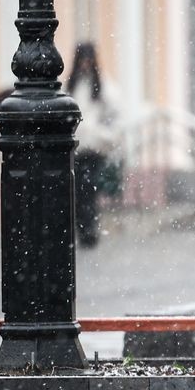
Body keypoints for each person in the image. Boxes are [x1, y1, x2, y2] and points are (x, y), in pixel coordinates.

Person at [65, 43, 121, 247]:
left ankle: (89, 231)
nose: (86, 65)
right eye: (83, 60)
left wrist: (103, 135)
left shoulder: (103, 86)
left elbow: (115, 116)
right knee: (79, 192)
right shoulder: (71, 86)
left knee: (87, 189)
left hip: (95, 148)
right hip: (76, 148)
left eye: (89, 60)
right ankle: (84, 230)